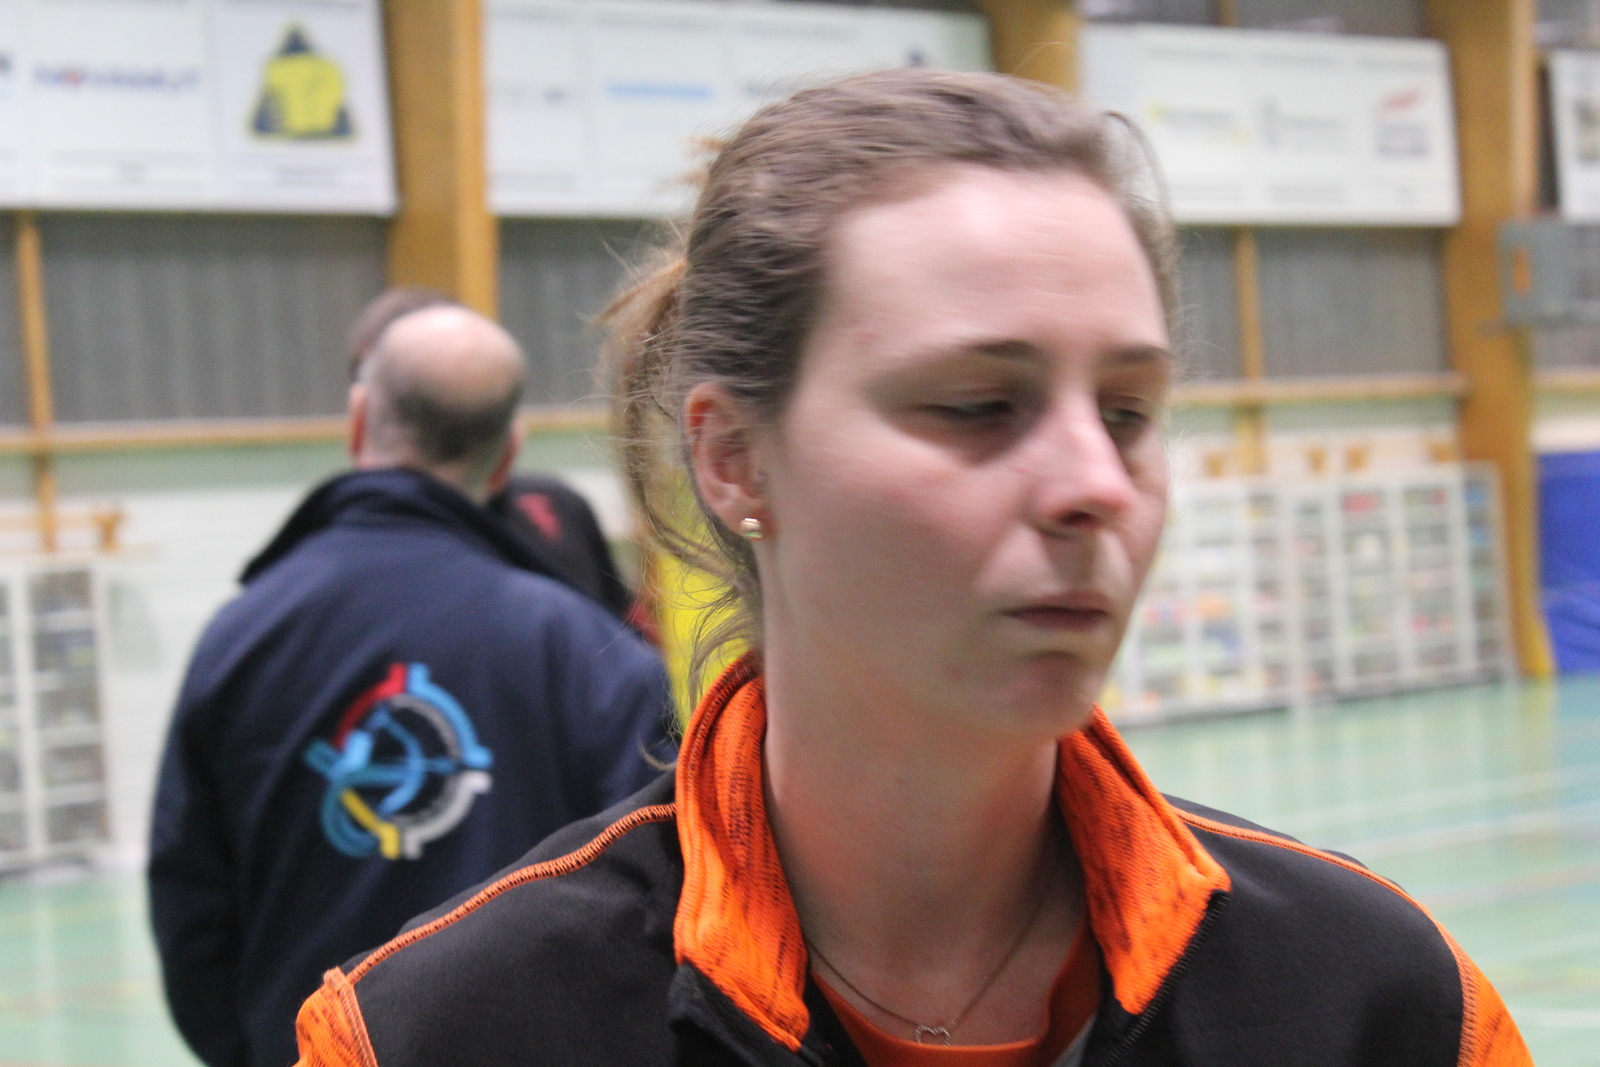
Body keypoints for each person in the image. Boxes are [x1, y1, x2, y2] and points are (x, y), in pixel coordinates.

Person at [290, 70, 1529, 1067]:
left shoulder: (1381, 1003)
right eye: (977, 403)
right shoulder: (436, 1033)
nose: (1094, 481)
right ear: (732, 458)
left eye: (1128, 412)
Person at [148, 288, 676, 1067]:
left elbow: (191, 911)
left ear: (359, 418)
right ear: (507, 455)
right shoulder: (592, 656)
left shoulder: (240, 638)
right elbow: (658, 903)